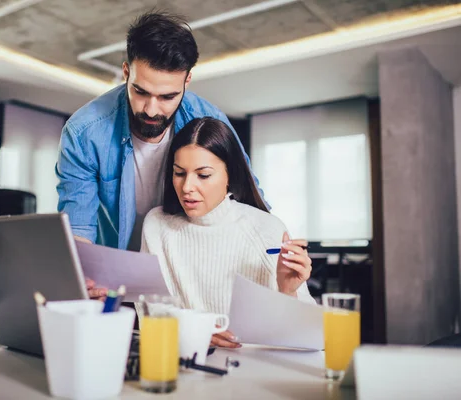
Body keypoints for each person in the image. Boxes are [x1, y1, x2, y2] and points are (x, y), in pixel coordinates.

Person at [54, 12, 267, 298]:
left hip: (191, 279)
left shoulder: (209, 121)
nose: (152, 110)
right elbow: (79, 229)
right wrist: (84, 279)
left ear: (187, 80)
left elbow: (247, 198)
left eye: (167, 97)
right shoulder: (84, 133)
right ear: (126, 72)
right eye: (141, 92)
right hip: (115, 280)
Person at [141, 117, 315, 348]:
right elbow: (150, 314)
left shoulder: (268, 229)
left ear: (229, 175)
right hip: (185, 362)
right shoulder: (157, 225)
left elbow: (307, 341)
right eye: (179, 173)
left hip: (254, 368)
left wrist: (287, 292)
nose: (187, 187)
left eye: (203, 175)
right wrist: (194, 332)